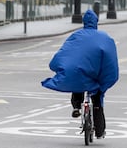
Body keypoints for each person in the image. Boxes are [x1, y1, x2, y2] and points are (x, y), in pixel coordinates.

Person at [41, 9, 119, 139]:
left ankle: (76, 107)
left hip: (79, 73)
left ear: (84, 22)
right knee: (97, 96)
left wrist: (56, 66)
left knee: (77, 83)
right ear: (96, 22)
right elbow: (110, 61)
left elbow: (65, 52)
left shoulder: (76, 35)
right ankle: (99, 131)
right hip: (95, 75)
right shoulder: (104, 37)